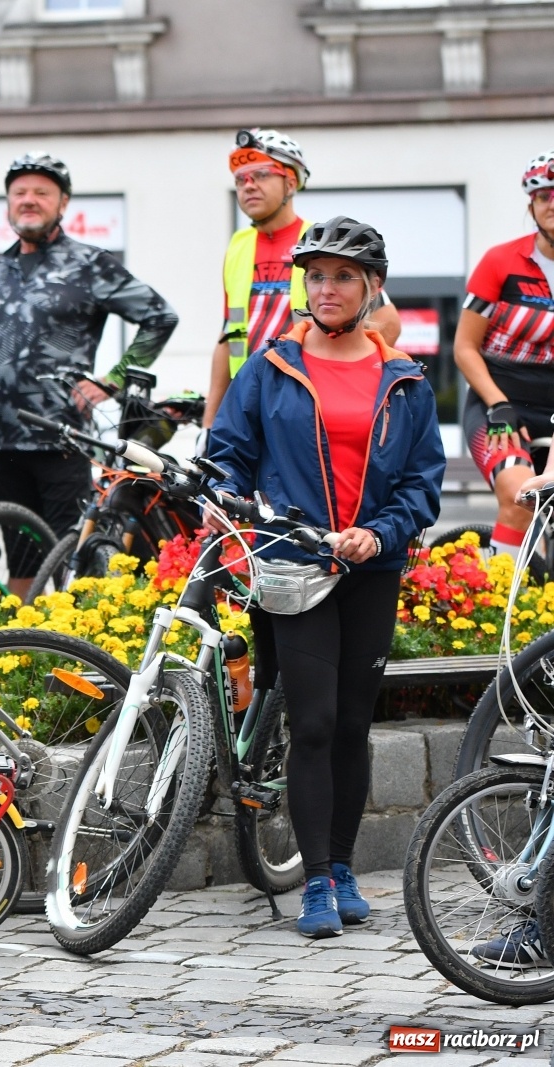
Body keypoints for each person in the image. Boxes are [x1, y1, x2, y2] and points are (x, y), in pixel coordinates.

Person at [208, 217, 444, 940]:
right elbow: (228, 455)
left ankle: (342, 867)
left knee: (350, 723)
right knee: (310, 722)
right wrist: (230, 512)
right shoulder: (271, 366)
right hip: (294, 563)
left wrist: (380, 532)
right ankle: (313, 883)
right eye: (316, 275)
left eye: (342, 275)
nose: (326, 287)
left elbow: (422, 482)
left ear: (372, 287)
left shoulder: (404, 380)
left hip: (372, 567)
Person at [0, 153, 178, 543]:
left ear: (63, 203)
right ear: (8, 202)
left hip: (64, 439)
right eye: (19, 192)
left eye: (41, 192)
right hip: (2, 439)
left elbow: (160, 317)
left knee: (70, 555)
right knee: (20, 553)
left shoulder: (90, 264)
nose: (28, 199)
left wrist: (112, 381)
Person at [204, 129, 400, 429]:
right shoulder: (237, 245)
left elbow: (389, 324)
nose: (249, 186)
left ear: (291, 182)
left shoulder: (319, 243)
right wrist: (210, 423)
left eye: (261, 174)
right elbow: (227, 338)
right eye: (241, 179)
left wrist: (336, 380)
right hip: (247, 403)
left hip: (305, 402)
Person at [453, 151, 554, 560]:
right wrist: (499, 404)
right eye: (544, 196)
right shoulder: (502, 261)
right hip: (499, 404)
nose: (552, 203)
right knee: (519, 498)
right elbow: (464, 347)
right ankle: (504, 609)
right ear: (531, 205)